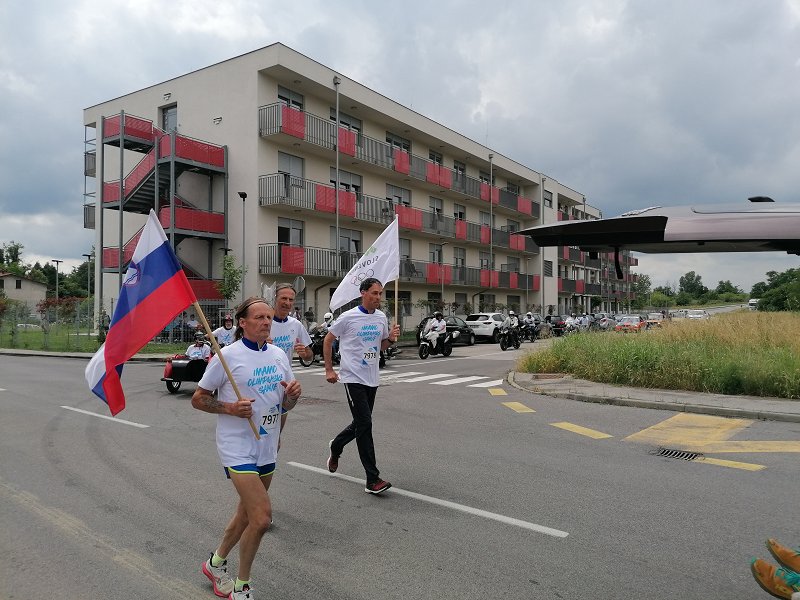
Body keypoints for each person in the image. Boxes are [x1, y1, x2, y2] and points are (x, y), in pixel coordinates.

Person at [191, 297, 301, 600]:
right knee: (261, 518)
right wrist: (229, 407)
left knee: (245, 513)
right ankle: (242, 585)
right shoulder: (227, 356)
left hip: (267, 444)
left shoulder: (278, 355)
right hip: (237, 447)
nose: (266, 322)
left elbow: (285, 403)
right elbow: (198, 398)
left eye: (269, 317)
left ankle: (215, 563)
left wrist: (293, 396)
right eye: (259, 317)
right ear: (242, 322)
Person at [323, 277, 400, 494]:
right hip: (352, 377)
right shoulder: (348, 317)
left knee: (361, 423)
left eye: (380, 293)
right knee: (365, 423)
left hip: (372, 378)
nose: (378, 297)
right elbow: (328, 340)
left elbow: (380, 346)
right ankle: (372, 479)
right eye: (374, 293)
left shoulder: (381, 317)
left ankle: (337, 445)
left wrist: (390, 339)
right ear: (363, 293)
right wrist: (329, 370)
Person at [269, 283, 313, 365]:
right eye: (284, 298)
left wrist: (305, 354)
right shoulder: (264, 323)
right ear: (274, 299)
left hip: (287, 373)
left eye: (291, 300)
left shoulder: (296, 324)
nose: (287, 303)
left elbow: (309, 356)